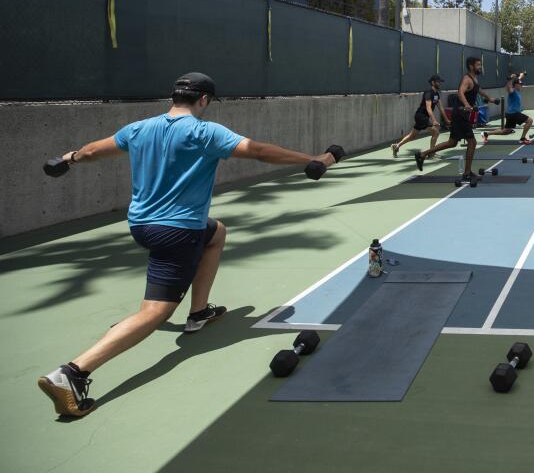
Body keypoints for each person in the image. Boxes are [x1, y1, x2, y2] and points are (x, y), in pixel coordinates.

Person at [37, 73, 341, 419]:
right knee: (154, 313)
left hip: (141, 225)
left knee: (217, 231)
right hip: (177, 232)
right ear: (204, 100)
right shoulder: (205, 132)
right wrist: (311, 159)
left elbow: (92, 151)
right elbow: (257, 151)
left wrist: (69, 158)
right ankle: (73, 372)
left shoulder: (139, 129)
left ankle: (198, 313)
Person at [414, 56, 499, 182]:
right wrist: (466, 104)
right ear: (471, 66)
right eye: (478, 65)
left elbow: (478, 90)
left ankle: (422, 155)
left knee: (452, 143)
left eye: (480, 65)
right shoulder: (467, 79)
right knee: (472, 142)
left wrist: (490, 98)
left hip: (461, 115)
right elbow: (460, 92)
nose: (480, 67)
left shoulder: (474, 79)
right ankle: (467, 173)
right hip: (460, 114)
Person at [391, 74, 450, 157]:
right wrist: (434, 120)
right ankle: (431, 153)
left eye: (440, 82)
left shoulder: (436, 94)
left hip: (423, 117)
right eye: (438, 82)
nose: (440, 83)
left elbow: (441, 108)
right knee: (436, 132)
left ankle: (396, 146)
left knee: (412, 136)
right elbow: (428, 108)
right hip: (421, 116)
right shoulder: (428, 93)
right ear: (433, 82)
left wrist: (447, 120)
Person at [483, 73, 533, 144]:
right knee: (529, 121)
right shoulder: (513, 91)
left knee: (506, 131)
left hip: (510, 114)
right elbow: (508, 88)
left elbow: (517, 80)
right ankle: (522, 138)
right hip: (514, 113)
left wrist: (521, 76)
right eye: (520, 84)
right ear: (515, 85)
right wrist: (509, 80)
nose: (521, 85)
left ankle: (486, 134)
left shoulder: (517, 90)